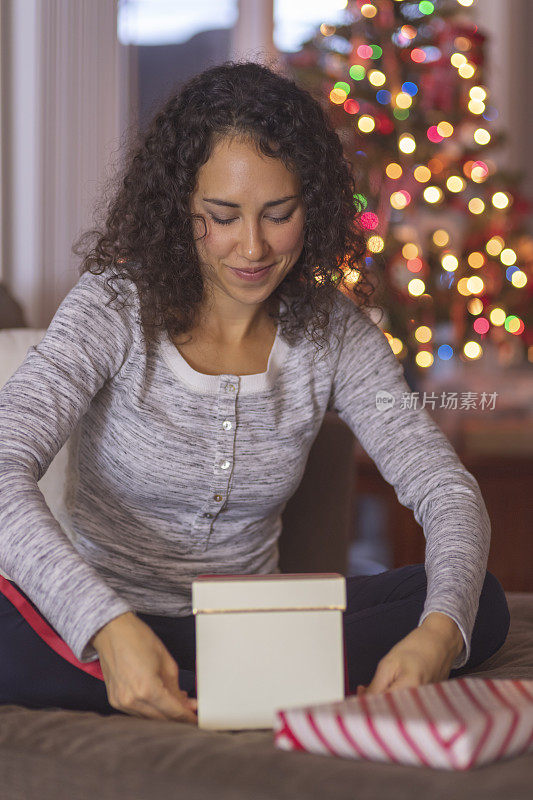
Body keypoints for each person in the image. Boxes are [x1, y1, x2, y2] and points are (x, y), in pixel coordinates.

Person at [0, 61, 510, 726]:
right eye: (221, 215)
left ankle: (205, 688)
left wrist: (437, 637)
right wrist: (102, 624)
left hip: (253, 629)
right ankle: (229, 686)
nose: (252, 246)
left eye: (279, 213)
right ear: (179, 207)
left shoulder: (336, 334)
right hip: (102, 625)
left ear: (314, 205)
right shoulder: (112, 308)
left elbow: (443, 489)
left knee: (476, 604)